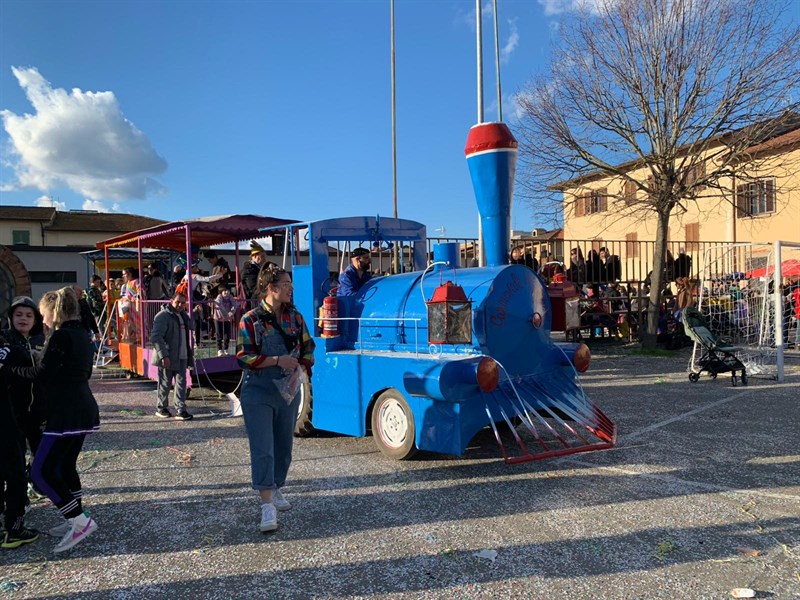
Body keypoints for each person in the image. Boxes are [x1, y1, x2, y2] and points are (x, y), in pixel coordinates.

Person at [237, 268, 315, 532]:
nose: (290, 288)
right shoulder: (250, 319)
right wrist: (276, 360)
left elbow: (308, 346)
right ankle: (266, 506)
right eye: (285, 284)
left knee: (284, 447)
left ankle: (277, 486)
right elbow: (243, 356)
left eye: (290, 284)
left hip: (288, 391)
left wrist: (302, 368)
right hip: (258, 389)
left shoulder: (295, 316)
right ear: (271, 288)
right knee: (264, 448)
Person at [32, 287, 101, 553]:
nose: (42, 320)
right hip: (83, 407)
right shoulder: (82, 334)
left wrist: (17, 366)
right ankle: (73, 517)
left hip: (65, 412)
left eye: (42, 315)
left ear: (53, 312)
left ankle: (79, 520)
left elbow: (43, 375)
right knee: (66, 466)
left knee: (41, 472)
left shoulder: (60, 336)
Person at [1, 296, 46, 497]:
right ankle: (17, 496)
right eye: (18, 314)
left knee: (41, 451)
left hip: (36, 410)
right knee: (15, 455)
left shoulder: (40, 340)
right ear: (11, 317)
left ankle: (35, 480)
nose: (23, 319)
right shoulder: (5, 339)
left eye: (29, 315)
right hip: (12, 410)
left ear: (36, 319)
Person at [0, 336, 39, 549]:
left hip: (11, 422)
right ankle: (14, 530)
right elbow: (30, 378)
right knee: (15, 477)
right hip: (8, 424)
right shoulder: (12, 351)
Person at [150, 292, 194, 421]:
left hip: (182, 355)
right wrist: (163, 355)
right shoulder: (163, 316)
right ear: (171, 301)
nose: (180, 305)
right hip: (168, 355)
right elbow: (156, 337)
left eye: (182, 303)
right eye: (177, 302)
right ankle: (161, 407)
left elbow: (191, 327)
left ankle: (181, 409)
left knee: (181, 383)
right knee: (165, 383)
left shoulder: (182, 315)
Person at [213, 286, 237, 356]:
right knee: (218, 334)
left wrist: (231, 313)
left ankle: (226, 349)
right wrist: (226, 314)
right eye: (225, 291)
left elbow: (235, 305)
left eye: (228, 291)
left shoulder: (230, 297)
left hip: (227, 319)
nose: (227, 292)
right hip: (219, 318)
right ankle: (219, 350)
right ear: (221, 292)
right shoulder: (219, 297)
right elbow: (219, 306)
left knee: (227, 334)